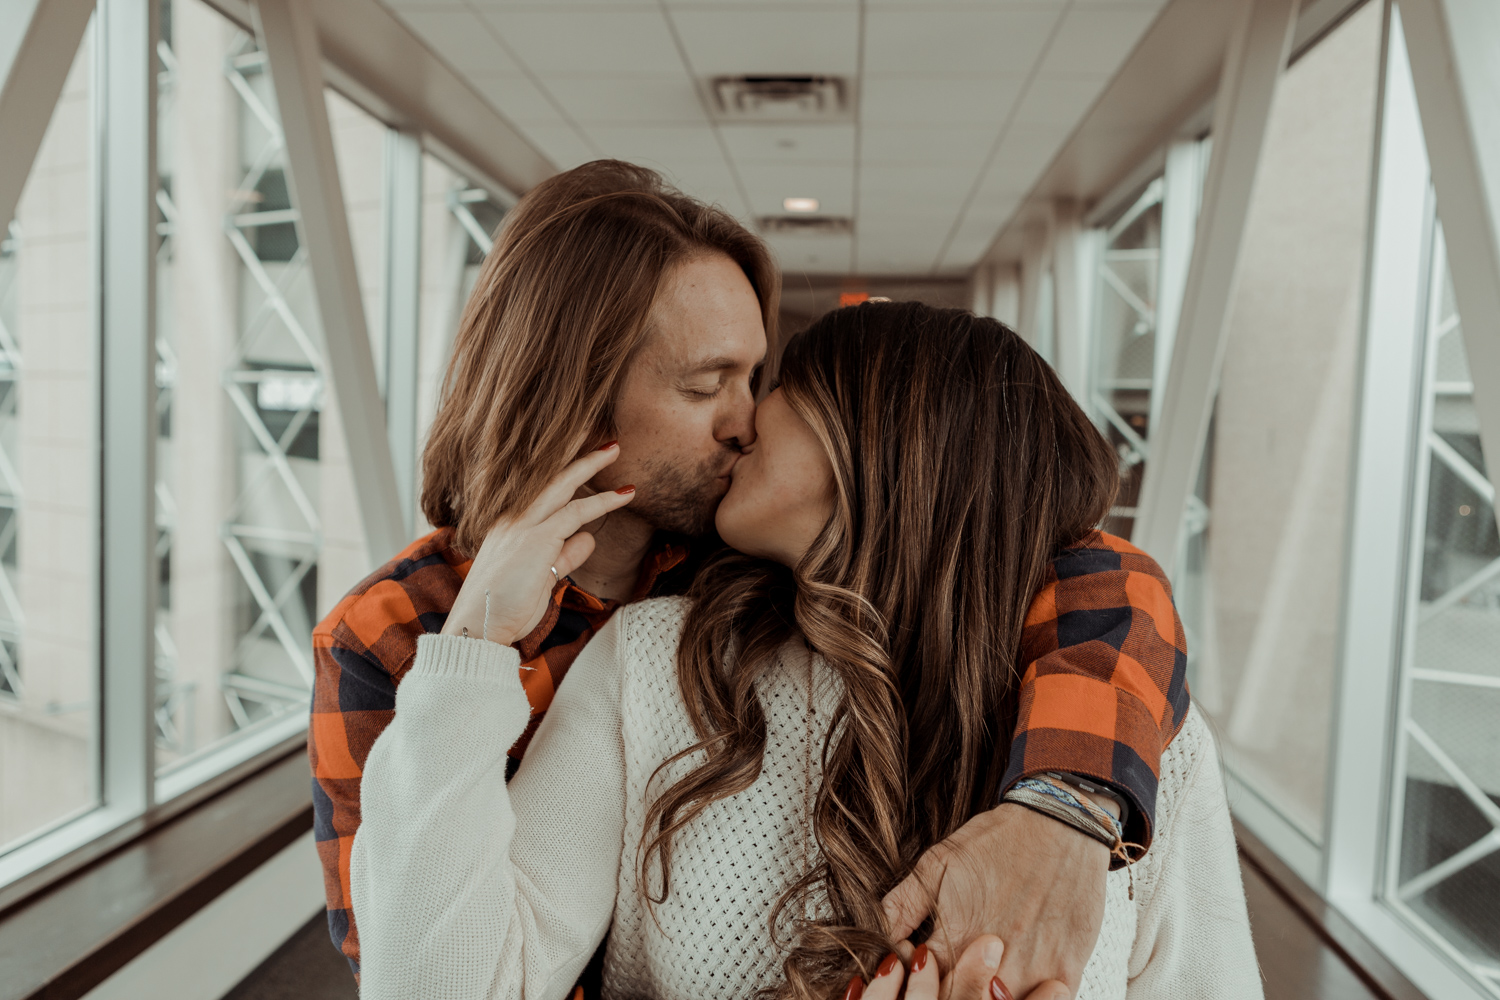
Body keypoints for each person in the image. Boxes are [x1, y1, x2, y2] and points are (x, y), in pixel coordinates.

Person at [308, 161, 1189, 996]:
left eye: (758, 375)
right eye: (707, 385)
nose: (746, 419)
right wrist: (475, 646)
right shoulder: (395, 632)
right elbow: (418, 971)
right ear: (573, 396)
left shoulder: (748, 576)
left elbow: (1101, 577)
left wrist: (1066, 804)